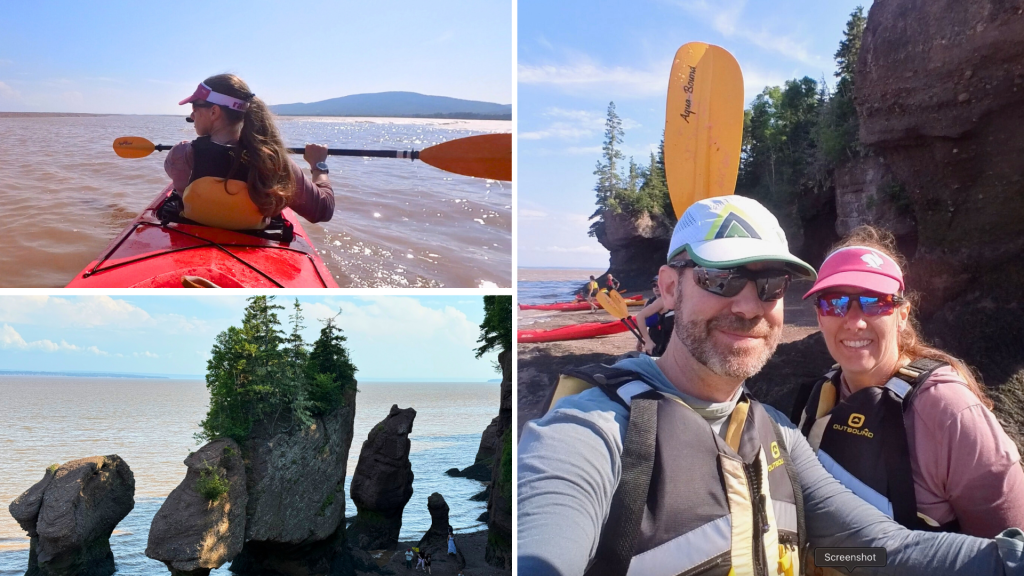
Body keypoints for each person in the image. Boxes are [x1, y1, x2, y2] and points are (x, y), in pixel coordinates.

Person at [517, 195, 1024, 576]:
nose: (746, 306)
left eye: (769, 286)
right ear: (669, 288)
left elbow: (885, 549)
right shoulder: (589, 431)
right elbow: (543, 543)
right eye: (719, 279)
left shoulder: (778, 434)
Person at [797, 226, 1024, 538]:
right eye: (834, 303)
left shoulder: (949, 413)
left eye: (873, 302)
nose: (854, 321)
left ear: (901, 314)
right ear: (819, 316)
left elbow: (1009, 556)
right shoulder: (818, 398)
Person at [165, 74, 335, 230]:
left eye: (195, 108)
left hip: (194, 238)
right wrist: (319, 166)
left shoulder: (180, 154)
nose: (191, 115)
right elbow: (322, 210)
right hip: (249, 247)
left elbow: (173, 171)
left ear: (214, 112)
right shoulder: (274, 162)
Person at [635, 274, 674, 356]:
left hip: (667, 341)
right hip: (655, 340)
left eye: (659, 285)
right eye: (654, 285)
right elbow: (642, 319)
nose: (656, 287)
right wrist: (643, 341)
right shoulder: (650, 302)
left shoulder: (670, 301)